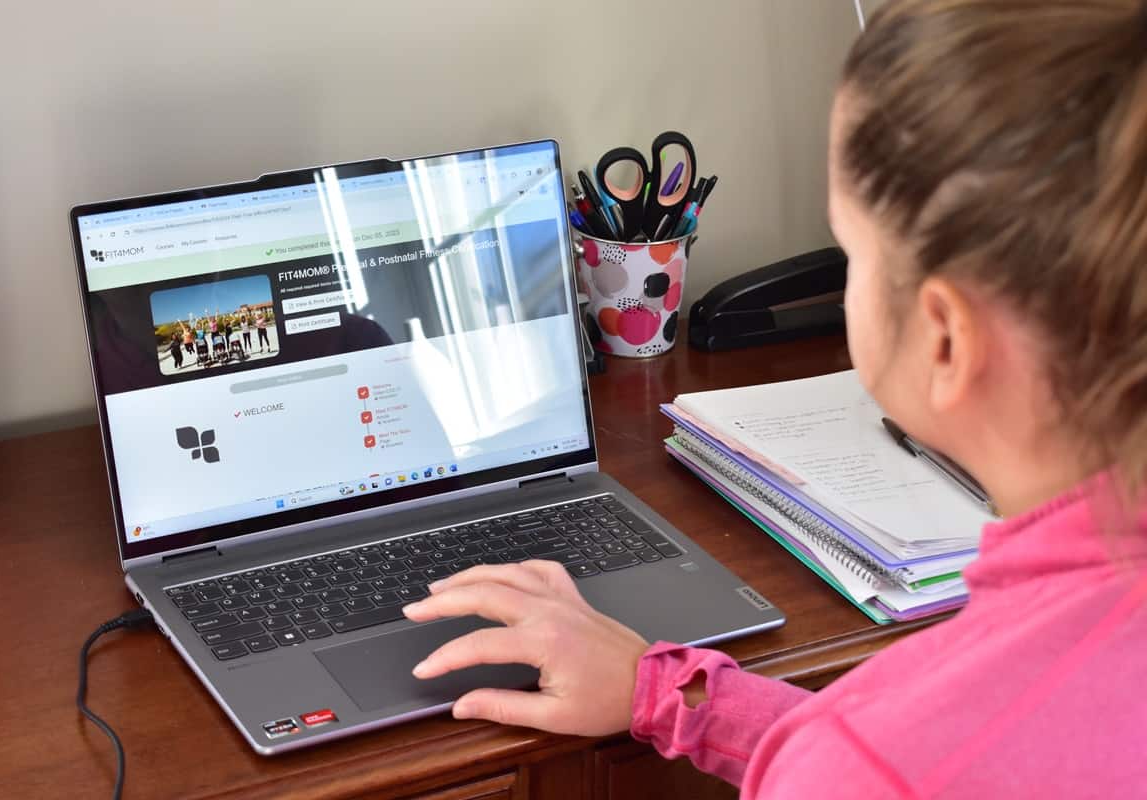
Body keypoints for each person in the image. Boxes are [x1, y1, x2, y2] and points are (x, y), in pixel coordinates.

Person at [400, 2, 1147, 797]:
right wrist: (671, 695)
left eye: (852, 252)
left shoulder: (867, 765)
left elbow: (881, 763)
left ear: (946, 338)